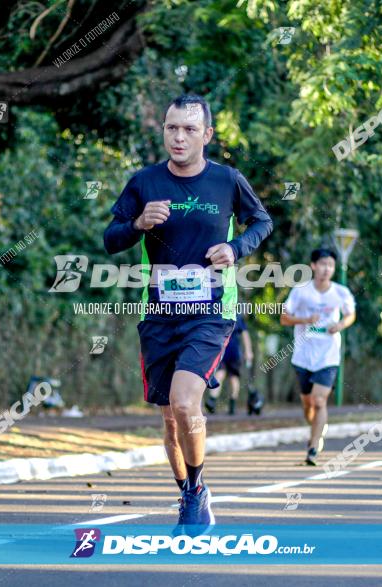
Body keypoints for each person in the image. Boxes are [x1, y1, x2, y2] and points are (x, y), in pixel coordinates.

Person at [103, 94, 272, 535]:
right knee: (169, 418)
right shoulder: (144, 182)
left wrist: (234, 249)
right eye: (171, 128)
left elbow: (262, 222)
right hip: (158, 314)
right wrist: (138, 223)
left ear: (207, 135)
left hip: (211, 313)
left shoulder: (227, 181)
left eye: (189, 130)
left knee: (184, 401)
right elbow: (110, 238)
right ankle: (187, 489)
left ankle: (196, 492)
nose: (179, 137)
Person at [280, 248, 356, 466]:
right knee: (307, 404)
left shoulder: (340, 292)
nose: (326, 269)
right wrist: (304, 319)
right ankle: (317, 428)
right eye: (322, 264)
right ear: (313, 266)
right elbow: (284, 318)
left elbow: (351, 314)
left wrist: (341, 324)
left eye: (330, 265)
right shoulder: (301, 291)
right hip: (303, 356)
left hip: (328, 356)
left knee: (319, 400)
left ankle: (313, 447)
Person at [206, 313, 254, 415]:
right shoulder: (217, 313)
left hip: (233, 352)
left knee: (232, 377)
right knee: (221, 374)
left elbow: (245, 334)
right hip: (220, 351)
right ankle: (212, 401)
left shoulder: (236, 316)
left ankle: (229, 404)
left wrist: (248, 351)